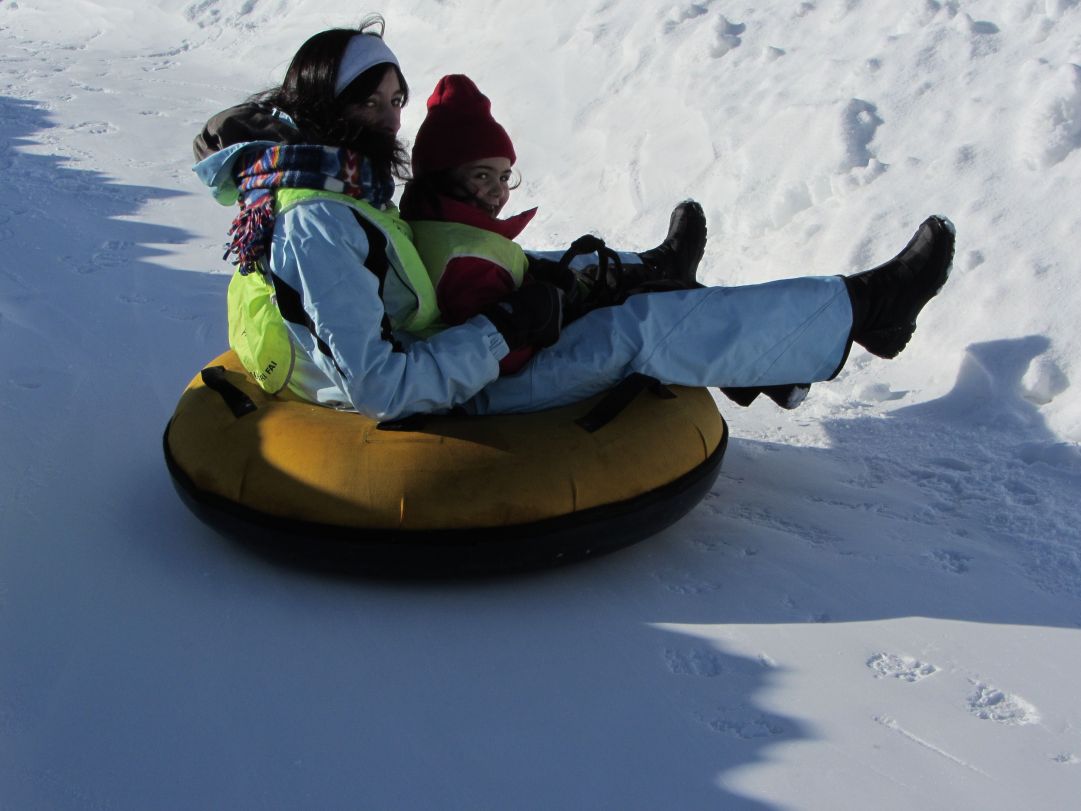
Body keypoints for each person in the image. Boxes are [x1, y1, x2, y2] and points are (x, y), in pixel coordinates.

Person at [193, 20, 956, 420]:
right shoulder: (319, 220)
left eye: (397, 100)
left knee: (547, 263)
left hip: (436, 348)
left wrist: (531, 292)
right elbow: (382, 388)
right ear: (328, 104)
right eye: (373, 100)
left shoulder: (334, 176)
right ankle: (865, 311)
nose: (390, 119)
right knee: (635, 334)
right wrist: (504, 328)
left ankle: (651, 276)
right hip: (446, 393)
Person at [397, 73, 706, 375]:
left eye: (504, 177)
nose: (498, 190)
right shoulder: (464, 257)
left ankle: (657, 266)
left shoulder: (434, 226)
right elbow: (498, 355)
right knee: (632, 312)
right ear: (441, 177)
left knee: (571, 272)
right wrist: (549, 313)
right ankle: (688, 303)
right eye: (482, 175)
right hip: (525, 368)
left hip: (520, 329)